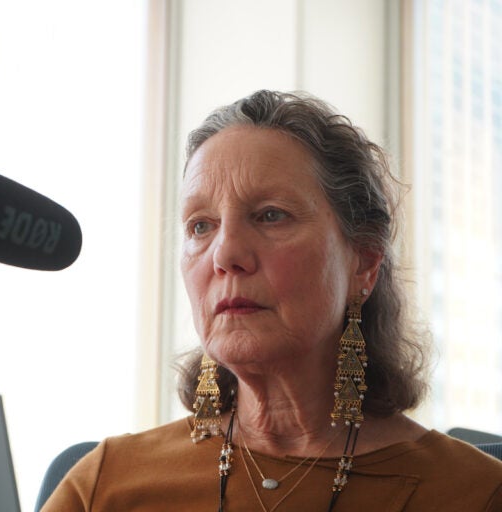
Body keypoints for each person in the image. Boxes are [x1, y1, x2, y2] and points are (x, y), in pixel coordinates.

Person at [41, 90, 502, 511]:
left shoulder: (475, 493)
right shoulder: (104, 487)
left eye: (270, 215)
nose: (225, 254)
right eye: (201, 225)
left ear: (363, 262)